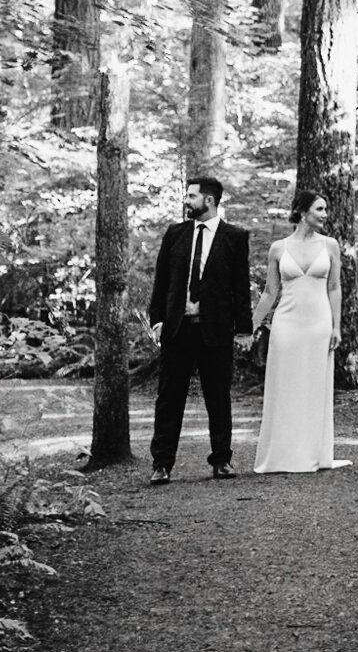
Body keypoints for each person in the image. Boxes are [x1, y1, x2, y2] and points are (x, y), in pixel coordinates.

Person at [145, 176, 254, 484]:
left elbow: (239, 288)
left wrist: (243, 329)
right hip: (177, 330)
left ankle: (222, 460)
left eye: (191, 196)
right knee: (169, 398)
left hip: (215, 330)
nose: (186, 200)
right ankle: (162, 464)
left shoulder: (235, 237)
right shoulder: (175, 234)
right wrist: (157, 320)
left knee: (218, 397)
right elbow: (161, 282)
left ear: (209, 200)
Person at [251, 188, 346, 473]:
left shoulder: (330, 246)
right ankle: (281, 454)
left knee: (314, 388)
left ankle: (314, 453)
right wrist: (251, 325)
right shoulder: (278, 248)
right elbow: (270, 292)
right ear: (303, 212)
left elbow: (334, 287)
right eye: (320, 209)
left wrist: (337, 327)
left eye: (325, 209)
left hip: (319, 324)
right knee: (285, 386)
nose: (325, 215)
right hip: (286, 324)